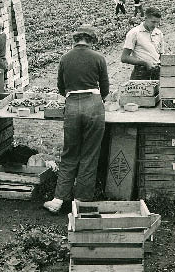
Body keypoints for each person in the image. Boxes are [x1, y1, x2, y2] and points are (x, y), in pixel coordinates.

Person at [44, 24, 109, 213]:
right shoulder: (98, 58)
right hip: (94, 106)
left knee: (70, 153)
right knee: (89, 154)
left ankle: (58, 200)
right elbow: (104, 88)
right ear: (91, 40)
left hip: (72, 105)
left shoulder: (65, 58)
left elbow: (60, 86)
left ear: (76, 39)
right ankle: (81, 201)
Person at [121, 7, 164, 80]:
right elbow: (124, 57)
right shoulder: (134, 33)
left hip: (157, 73)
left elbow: (161, 55)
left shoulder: (159, 33)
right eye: (153, 22)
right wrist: (145, 63)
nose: (155, 25)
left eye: (157, 22)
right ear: (145, 18)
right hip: (140, 74)